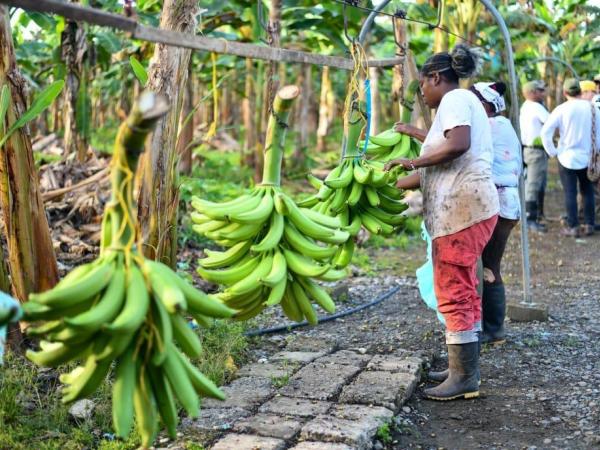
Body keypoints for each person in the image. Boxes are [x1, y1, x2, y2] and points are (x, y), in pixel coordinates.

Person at [385, 44, 498, 401]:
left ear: (436, 78)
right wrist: (387, 183)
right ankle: (463, 368)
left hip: (463, 211)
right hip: (464, 208)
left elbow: (458, 146)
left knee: (454, 289)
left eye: (422, 85)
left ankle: (464, 377)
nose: (422, 92)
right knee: (462, 286)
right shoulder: (455, 106)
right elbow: (437, 166)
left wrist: (412, 162)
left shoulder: (454, 101)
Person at [470, 82, 522, 345]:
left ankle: (491, 329)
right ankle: (492, 328)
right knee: (491, 264)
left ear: (486, 105)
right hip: (506, 201)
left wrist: (413, 132)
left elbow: (456, 143)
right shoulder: (504, 125)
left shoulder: (490, 126)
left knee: (487, 266)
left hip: (498, 202)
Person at [540, 78, 599, 237]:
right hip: (588, 158)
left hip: (567, 158)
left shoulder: (561, 109)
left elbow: (545, 132)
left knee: (570, 192)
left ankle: (573, 227)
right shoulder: (593, 109)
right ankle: (589, 225)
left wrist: (552, 152)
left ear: (565, 93)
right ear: (580, 91)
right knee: (588, 191)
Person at [520, 80, 549, 232]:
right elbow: (550, 124)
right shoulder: (537, 107)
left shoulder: (525, 106)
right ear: (532, 92)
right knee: (533, 184)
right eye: (540, 90)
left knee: (532, 183)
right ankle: (531, 218)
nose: (543, 93)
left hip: (528, 149)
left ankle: (534, 215)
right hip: (536, 150)